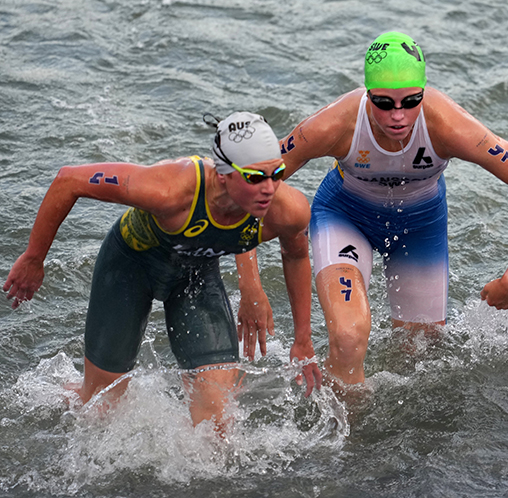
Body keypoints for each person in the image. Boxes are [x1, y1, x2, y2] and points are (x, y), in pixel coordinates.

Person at [250, 31, 508, 387]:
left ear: (423, 93)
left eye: (411, 101)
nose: (398, 116)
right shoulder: (334, 125)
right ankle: (351, 435)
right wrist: (251, 286)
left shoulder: (450, 126)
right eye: (384, 103)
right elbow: (248, 185)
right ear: (367, 95)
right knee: (349, 335)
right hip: (345, 217)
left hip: (420, 228)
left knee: (422, 358)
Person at [3, 112, 322, 433]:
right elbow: (68, 180)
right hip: (129, 269)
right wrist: (33, 258)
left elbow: (295, 255)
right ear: (223, 174)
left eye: (277, 173)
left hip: (194, 277)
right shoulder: (170, 189)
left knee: (218, 422)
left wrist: (303, 339)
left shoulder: (288, 210)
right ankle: (55, 395)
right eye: (255, 177)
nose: (270, 188)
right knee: (100, 411)